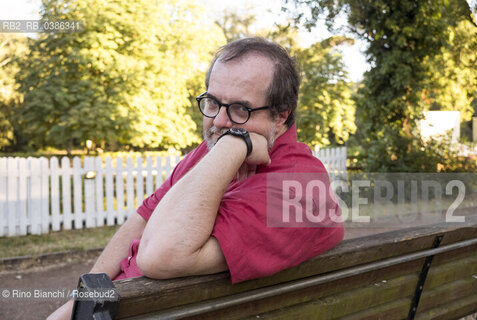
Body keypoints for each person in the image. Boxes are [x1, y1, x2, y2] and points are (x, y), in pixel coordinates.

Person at [48, 37, 344, 319]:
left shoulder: (300, 188)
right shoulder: (209, 152)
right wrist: (78, 303)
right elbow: (143, 218)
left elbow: (160, 256)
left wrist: (233, 143)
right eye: (212, 103)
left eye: (240, 109)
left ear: (281, 115)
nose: (219, 122)